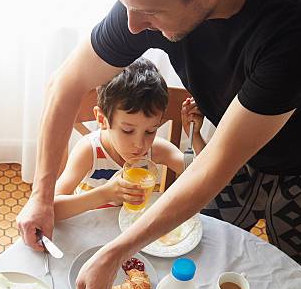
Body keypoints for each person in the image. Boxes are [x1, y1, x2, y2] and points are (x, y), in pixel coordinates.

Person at [17, 0, 301, 289]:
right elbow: (65, 83)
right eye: (126, 4)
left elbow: (213, 165)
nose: (132, 25)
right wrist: (42, 195)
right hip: (229, 150)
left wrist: (114, 252)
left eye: (149, 12)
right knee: (197, 250)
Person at [52, 58, 205, 221]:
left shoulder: (155, 150)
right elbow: (52, 208)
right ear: (102, 120)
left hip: (131, 232)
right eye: (127, 130)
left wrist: (194, 136)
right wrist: (105, 194)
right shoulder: (90, 151)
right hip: (91, 231)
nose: (140, 145)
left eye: (150, 131)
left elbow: (203, 175)